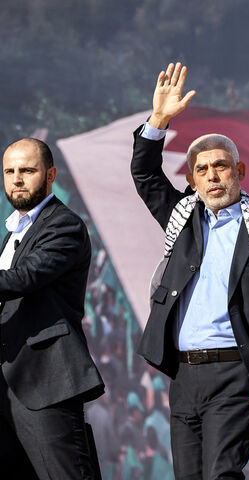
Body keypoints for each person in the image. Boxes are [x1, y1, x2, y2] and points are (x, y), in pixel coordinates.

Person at [131, 62, 249, 479]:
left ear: (240, 172)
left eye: (221, 166)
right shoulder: (182, 219)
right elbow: (144, 174)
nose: (213, 176)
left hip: (236, 375)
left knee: (221, 474)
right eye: (202, 169)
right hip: (184, 374)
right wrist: (158, 120)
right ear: (192, 179)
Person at [0, 138, 104, 479]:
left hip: (45, 383)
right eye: (9, 171)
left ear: (50, 174)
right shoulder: (14, 232)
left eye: (27, 171)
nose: (16, 179)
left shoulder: (65, 225)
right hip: (7, 383)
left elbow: (25, 277)